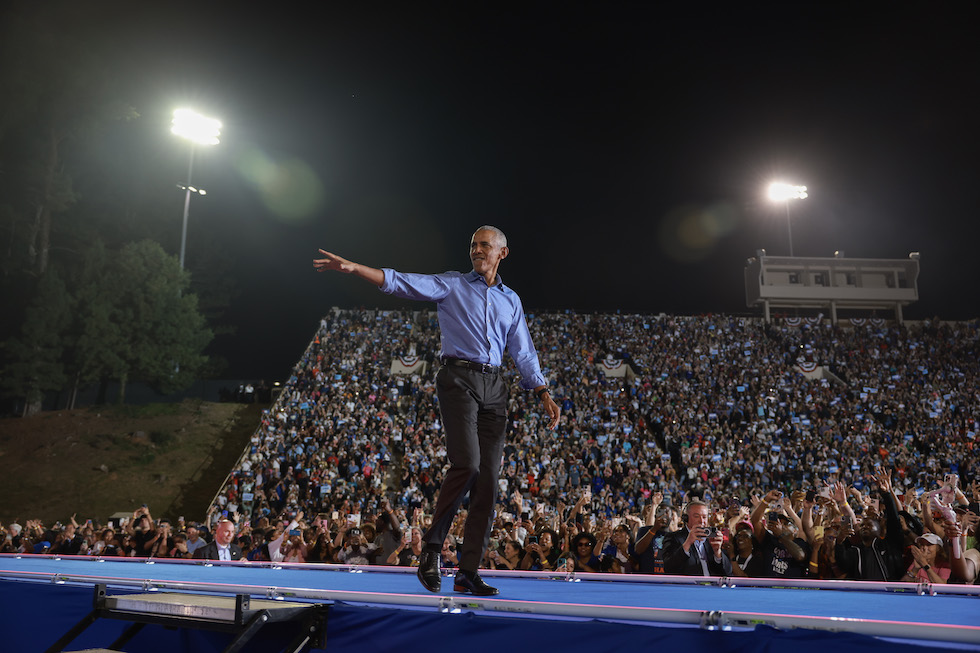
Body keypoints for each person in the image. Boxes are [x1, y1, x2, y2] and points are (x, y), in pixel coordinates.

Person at [314, 226, 560, 596]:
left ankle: (467, 572)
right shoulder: (452, 285)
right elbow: (402, 282)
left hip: (495, 387)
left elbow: (522, 350)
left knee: (489, 483)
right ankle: (431, 549)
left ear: (502, 253)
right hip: (458, 378)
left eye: (484, 245)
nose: (476, 250)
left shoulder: (512, 300)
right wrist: (355, 268)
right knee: (469, 464)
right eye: (473, 245)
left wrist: (542, 390)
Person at [662, 500, 733, 577]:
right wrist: (688, 543)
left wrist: (717, 552)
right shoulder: (673, 537)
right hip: (689, 587)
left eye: (704, 517)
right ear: (686, 518)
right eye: (696, 516)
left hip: (712, 587)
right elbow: (668, 568)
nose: (701, 521)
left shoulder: (712, 539)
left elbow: (728, 572)